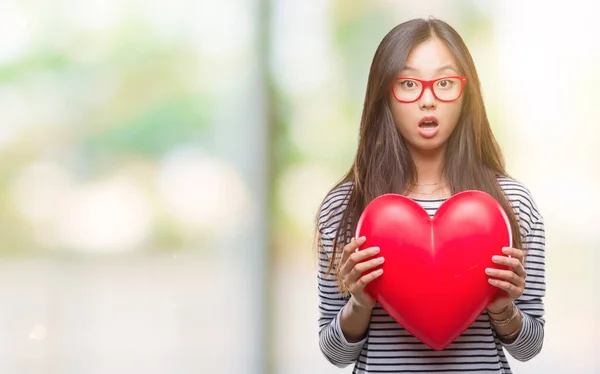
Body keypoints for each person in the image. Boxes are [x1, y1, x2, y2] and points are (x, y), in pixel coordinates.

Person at [315, 17, 545, 373]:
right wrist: (359, 303)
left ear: (467, 94)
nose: (427, 100)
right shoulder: (345, 207)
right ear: (384, 94)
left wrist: (503, 308)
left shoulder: (512, 203)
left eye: (445, 83)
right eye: (408, 83)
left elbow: (530, 348)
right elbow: (335, 355)